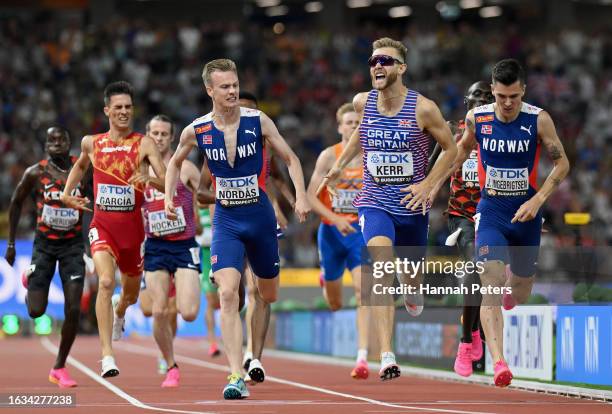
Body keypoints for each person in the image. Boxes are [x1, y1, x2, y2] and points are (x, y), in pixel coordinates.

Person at [165, 59, 310, 399]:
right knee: (228, 294)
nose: (232, 91)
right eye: (225, 86)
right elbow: (174, 162)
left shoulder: (258, 122)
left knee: (267, 294)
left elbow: (291, 159)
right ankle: (235, 375)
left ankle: (251, 343)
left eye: (235, 84)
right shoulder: (196, 130)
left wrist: (300, 196)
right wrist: (171, 196)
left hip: (259, 218)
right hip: (226, 221)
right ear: (209, 90)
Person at [318, 37, 457, 381]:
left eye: (386, 61)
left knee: (411, 279)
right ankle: (387, 354)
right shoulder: (362, 102)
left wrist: (427, 184)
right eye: (373, 61)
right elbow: (360, 135)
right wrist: (340, 164)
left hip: (411, 206)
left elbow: (451, 150)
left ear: (401, 68)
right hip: (374, 201)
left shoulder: (423, 108)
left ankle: (412, 288)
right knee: (381, 268)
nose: (377, 66)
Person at [440, 59, 570, 387]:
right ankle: (499, 362)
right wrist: (430, 185)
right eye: (500, 96)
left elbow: (562, 163)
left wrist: (537, 200)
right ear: (493, 91)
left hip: (526, 212)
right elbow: (459, 154)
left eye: (513, 96)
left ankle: (517, 278)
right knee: (490, 286)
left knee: (520, 292)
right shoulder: (477, 119)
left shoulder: (538, 120)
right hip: (492, 212)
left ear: (523, 90)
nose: (507, 103)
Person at [61, 81, 166, 377]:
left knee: (130, 294)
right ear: (106, 110)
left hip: (133, 234)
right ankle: (107, 355)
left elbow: (167, 179)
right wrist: (66, 194)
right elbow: (81, 166)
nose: (123, 112)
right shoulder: (91, 143)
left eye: (128, 107)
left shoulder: (143, 144)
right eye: (118, 107)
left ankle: (120, 312)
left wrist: (148, 178)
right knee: (106, 281)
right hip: (102, 227)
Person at [4, 126, 86, 388]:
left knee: (73, 308)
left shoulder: (83, 168)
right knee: (36, 311)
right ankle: (30, 282)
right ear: (45, 146)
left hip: (73, 246)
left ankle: (60, 366)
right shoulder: (35, 173)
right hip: (44, 246)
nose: (57, 143)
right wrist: (12, 243)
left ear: (69, 142)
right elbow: (16, 202)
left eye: (61, 139)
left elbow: (98, 199)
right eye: (52, 140)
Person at [428, 81, 494, 377]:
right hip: (462, 216)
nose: (480, 104)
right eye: (475, 99)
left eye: (486, 99)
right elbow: (432, 167)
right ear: (467, 104)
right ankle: (466, 341)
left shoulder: (500, 135)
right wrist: (428, 190)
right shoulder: (454, 136)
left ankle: (475, 330)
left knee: (488, 276)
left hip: (494, 215)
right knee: (474, 268)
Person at [306, 103, 370, 379]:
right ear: (339, 127)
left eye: (358, 123)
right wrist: (336, 217)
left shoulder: (370, 156)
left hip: (360, 233)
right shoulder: (328, 157)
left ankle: (362, 357)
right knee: (334, 303)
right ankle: (326, 279)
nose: (354, 127)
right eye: (349, 123)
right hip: (332, 232)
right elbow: (309, 197)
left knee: (362, 291)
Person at [141, 114, 201, 387]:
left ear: (172, 137)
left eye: (164, 134)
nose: (159, 138)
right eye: (155, 133)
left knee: (188, 312)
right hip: (154, 246)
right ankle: (171, 365)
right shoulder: (139, 171)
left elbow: (204, 199)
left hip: (184, 245)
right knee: (158, 310)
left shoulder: (186, 168)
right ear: (147, 135)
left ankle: (168, 341)